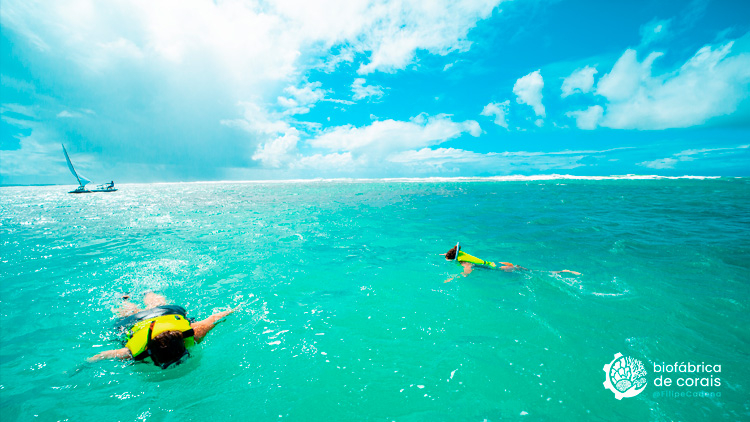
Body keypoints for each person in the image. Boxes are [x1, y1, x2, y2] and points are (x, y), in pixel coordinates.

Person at [88, 292, 238, 369]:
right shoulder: (195, 333)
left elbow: (101, 356)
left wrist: (83, 365)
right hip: (160, 314)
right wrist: (235, 309)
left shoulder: (197, 333)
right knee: (150, 307)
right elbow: (215, 317)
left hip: (159, 315)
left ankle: (125, 300)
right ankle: (145, 293)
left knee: (130, 314)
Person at [443, 242, 580, 282]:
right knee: (520, 267)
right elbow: (450, 254)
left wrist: (454, 277)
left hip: (498, 268)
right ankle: (562, 270)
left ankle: (563, 271)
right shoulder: (461, 253)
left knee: (531, 272)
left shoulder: (463, 262)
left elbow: (467, 271)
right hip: (497, 262)